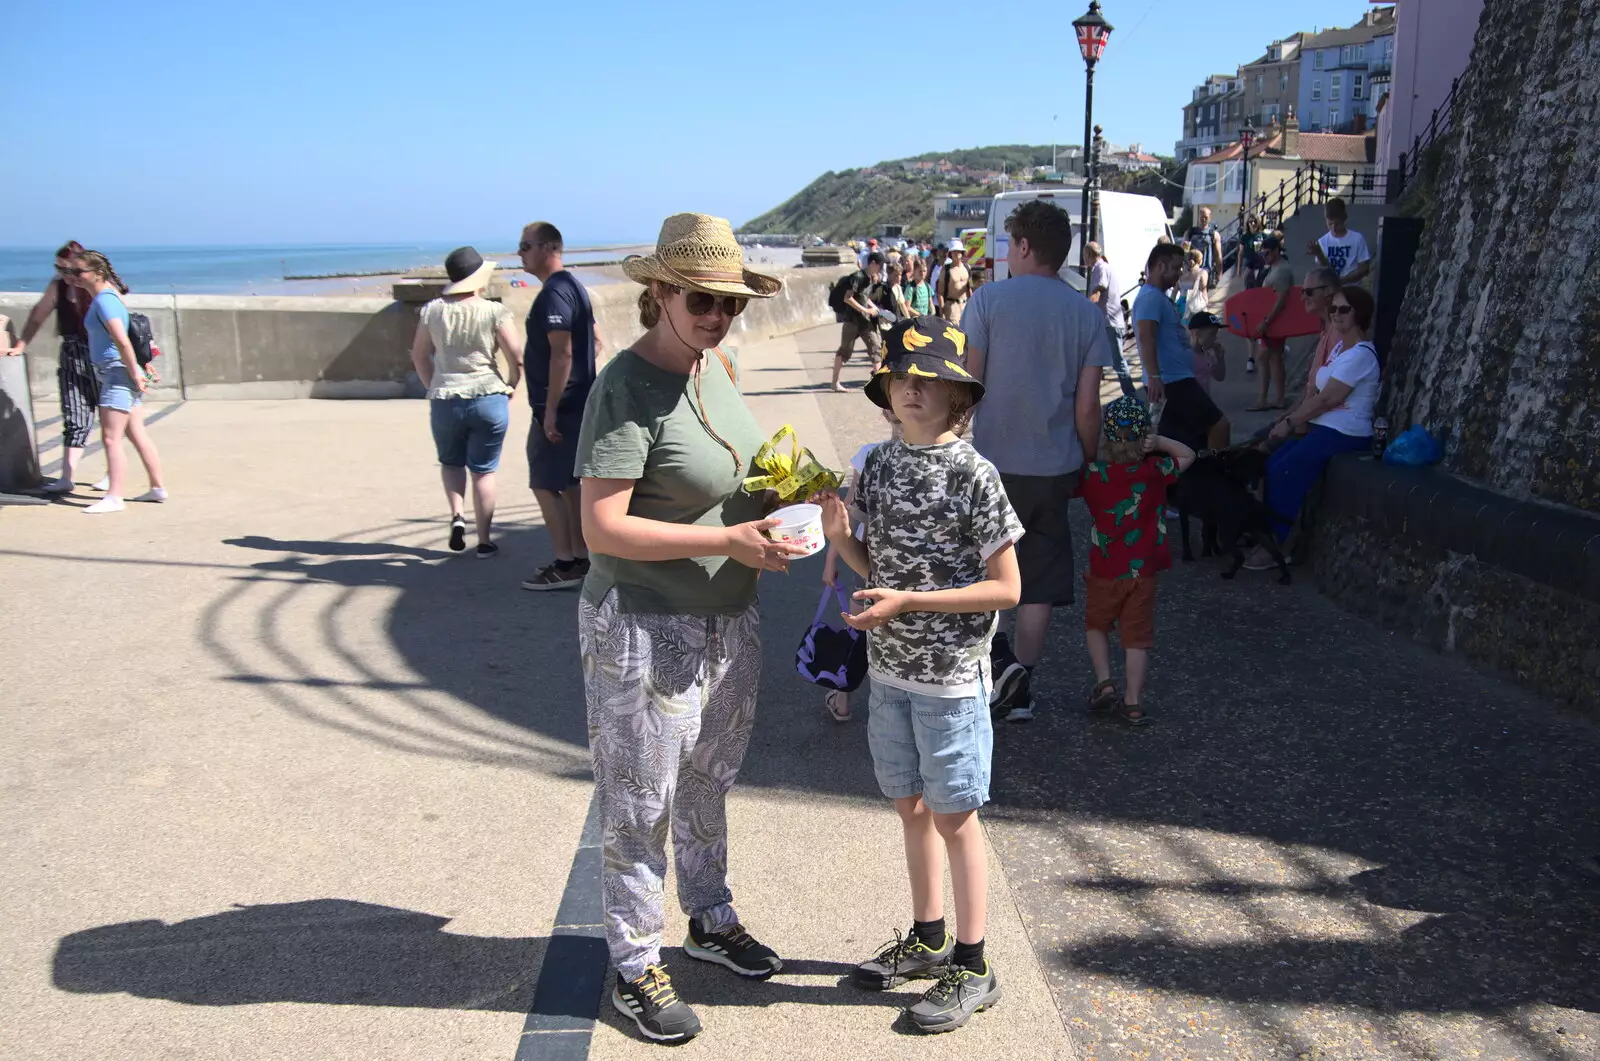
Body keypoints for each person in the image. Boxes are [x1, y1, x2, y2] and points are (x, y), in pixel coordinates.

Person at [576, 213, 799, 1044]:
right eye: (702, 300)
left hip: (728, 620)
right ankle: (636, 964)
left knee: (709, 780)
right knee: (641, 803)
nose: (717, 316)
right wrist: (725, 539)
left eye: (730, 304)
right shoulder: (624, 387)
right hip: (643, 623)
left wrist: (793, 496)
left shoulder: (718, 368)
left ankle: (707, 915)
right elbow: (603, 527)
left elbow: (739, 473)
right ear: (660, 292)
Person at [818, 316, 1022, 1033]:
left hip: (951, 679)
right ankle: (930, 935)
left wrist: (911, 600)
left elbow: (1007, 588)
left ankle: (974, 960)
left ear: (957, 396)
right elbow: (875, 567)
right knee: (909, 806)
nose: (912, 387)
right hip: (891, 670)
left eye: (928, 377)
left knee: (955, 816)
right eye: (902, 375)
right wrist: (839, 531)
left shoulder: (973, 472)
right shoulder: (875, 462)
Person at [963, 199, 1109, 724]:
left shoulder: (986, 302)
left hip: (989, 466)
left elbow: (968, 387)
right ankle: (1022, 684)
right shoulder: (1087, 314)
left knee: (980, 569)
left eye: (1008, 244)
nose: (1006, 253)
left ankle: (985, 675)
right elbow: (1088, 407)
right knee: (1039, 578)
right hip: (1054, 466)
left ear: (1024, 245)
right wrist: (1087, 460)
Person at [1077, 397, 1195, 726]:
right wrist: (1158, 443)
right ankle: (1132, 702)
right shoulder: (1156, 471)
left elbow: (1066, 482)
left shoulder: (1093, 475)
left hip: (1104, 568)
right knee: (1137, 638)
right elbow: (1188, 455)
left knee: (1096, 625)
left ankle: (1105, 682)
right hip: (1144, 571)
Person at [1246, 286, 1381, 570]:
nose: (1336, 315)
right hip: (1324, 427)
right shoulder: (1340, 352)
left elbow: (1329, 397)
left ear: (1360, 314)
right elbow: (1314, 393)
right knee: (1272, 465)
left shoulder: (1362, 354)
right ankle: (1266, 534)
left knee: (1287, 469)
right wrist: (1289, 418)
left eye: (1344, 309)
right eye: (1333, 309)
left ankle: (1277, 545)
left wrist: (1290, 423)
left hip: (1346, 432)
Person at [409, 246, 523, 557]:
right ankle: (485, 540)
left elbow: (419, 356)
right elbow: (517, 358)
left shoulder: (432, 310)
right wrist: (510, 386)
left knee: (451, 462)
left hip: (446, 396)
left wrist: (434, 385)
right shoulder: (493, 311)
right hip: (488, 396)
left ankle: (458, 516)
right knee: (484, 472)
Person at [517, 221, 601, 589]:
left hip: (561, 408)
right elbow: (595, 341)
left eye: (526, 246)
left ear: (549, 248)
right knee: (568, 485)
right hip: (575, 403)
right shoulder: (573, 287)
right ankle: (579, 559)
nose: (520, 253)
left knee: (544, 481)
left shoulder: (554, 292)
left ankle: (567, 564)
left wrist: (550, 408)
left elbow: (562, 353)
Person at [819, 408, 902, 722]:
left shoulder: (869, 454)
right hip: (890, 561)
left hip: (864, 558)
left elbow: (848, 513)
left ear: (884, 413)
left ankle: (842, 699)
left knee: (857, 629)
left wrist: (831, 560)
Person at [4, 241, 102, 493]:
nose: (62, 273)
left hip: (100, 355)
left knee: (112, 419)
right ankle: (67, 477)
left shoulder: (97, 287)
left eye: (67, 268)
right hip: (71, 353)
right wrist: (22, 343)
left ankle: (113, 475)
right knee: (74, 415)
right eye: (57, 268)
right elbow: (40, 313)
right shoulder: (58, 286)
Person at [71, 251, 165, 513]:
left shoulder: (104, 300)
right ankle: (157, 488)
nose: (74, 278)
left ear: (97, 274)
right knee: (136, 433)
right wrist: (138, 367)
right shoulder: (108, 297)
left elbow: (122, 339)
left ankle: (115, 497)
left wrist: (135, 371)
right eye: (70, 273)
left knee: (111, 438)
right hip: (120, 371)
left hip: (117, 373)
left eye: (79, 272)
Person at [1135, 242, 1231, 454]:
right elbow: (1145, 336)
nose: (1180, 273)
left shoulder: (1157, 297)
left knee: (1178, 441)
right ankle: (1215, 479)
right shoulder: (1151, 297)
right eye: (1176, 268)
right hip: (1173, 381)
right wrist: (1154, 376)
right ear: (1160, 266)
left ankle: (1181, 482)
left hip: (1175, 379)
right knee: (1219, 426)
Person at [1248, 235, 1294, 411]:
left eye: (1267, 253)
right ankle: (1279, 398)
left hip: (1275, 321)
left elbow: (1281, 299)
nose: (1264, 256)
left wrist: (1266, 321)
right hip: (1274, 321)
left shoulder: (1282, 270)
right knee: (1275, 359)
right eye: (1263, 253)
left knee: (1263, 358)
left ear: (1276, 251)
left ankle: (1263, 399)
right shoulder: (1276, 268)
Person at [1084, 241, 1136, 398]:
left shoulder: (1100, 268)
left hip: (1110, 322)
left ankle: (1132, 397)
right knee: (1098, 358)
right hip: (1109, 321)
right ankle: (1092, 393)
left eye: (1084, 256)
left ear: (1088, 255)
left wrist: (1085, 307)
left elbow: (1100, 288)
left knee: (1118, 362)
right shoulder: (1106, 266)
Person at [832, 252, 886, 392]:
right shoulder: (858, 277)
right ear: (873, 263)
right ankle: (835, 383)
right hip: (852, 321)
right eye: (879, 266)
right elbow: (848, 298)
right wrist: (866, 310)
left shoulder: (870, 278)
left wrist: (873, 307)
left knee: (876, 349)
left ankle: (879, 386)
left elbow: (863, 296)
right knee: (844, 352)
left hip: (865, 322)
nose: (880, 269)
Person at [1308, 197, 1372, 284]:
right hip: (1330, 290)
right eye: (1330, 224)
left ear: (1344, 218)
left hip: (1352, 289)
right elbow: (1324, 269)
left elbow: (1364, 268)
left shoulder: (1357, 239)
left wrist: (1344, 280)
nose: (1333, 229)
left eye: (1337, 224)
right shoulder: (1322, 241)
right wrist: (1319, 254)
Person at [1186, 311, 1227, 394]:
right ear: (1197, 334)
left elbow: (1220, 377)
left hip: (1204, 401)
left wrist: (1220, 359)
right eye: (1212, 334)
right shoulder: (1184, 356)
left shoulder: (1208, 354)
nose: (1215, 339)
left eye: (1215, 334)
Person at [1184, 205, 1223, 286]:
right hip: (1191, 270)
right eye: (1202, 216)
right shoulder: (1190, 232)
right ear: (1198, 217)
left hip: (1206, 271)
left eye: (1206, 217)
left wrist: (1219, 273)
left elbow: (1218, 255)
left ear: (1210, 217)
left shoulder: (1214, 234)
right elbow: (1184, 251)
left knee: (1204, 295)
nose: (1203, 219)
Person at [937, 241, 971, 324]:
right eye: (954, 251)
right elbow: (940, 292)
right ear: (950, 253)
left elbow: (969, 289)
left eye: (959, 251)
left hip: (965, 306)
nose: (956, 253)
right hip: (952, 307)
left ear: (962, 252)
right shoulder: (946, 269)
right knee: (954, 333)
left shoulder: (967, 268)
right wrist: (942, 312)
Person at [1176, 248, 1208, 321]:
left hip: (1181, 304)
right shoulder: (1202, 273)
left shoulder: (1181, 273)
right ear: (1200, 260)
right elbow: (1203, 291)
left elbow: (1175, 290)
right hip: (1194, 303)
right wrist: (1205, 302)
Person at [1235, 213, 1265, 285]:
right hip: (1248, 261)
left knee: (1259, 284)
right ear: (1248, 224)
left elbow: (1265, 249)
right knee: (1248, 283)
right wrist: (1239, 268)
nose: (1253, 223)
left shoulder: (1262, 235)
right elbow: (1240, 252)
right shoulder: (1245, 236)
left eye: (1255, 221)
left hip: (1259, 262)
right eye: (1250, 222)